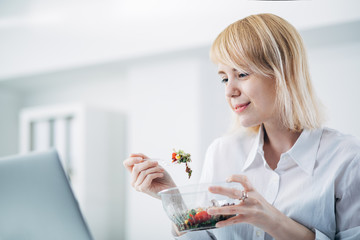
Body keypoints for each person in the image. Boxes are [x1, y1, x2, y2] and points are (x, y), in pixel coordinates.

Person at [123, 13, 360, 239]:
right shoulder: (222, 151)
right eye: (225, 78)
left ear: (284, 74)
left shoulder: (347, 158)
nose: (229, 90)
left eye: (242, 74)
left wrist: (273, 221)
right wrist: (174, 200)